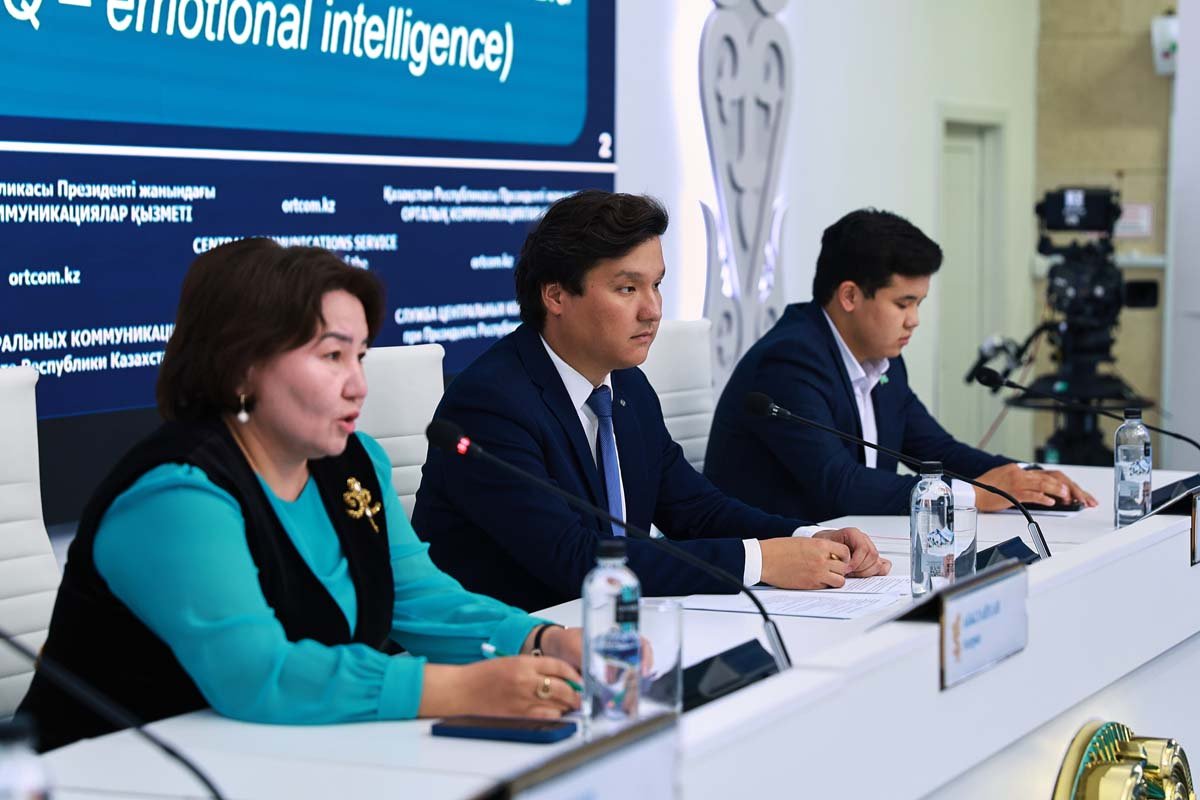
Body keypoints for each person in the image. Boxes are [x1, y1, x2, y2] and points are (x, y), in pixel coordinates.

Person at [19, 239, 584, 752]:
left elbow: (421, 598)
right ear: (243, 365)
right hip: (104, 772)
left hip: (272, 758)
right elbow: (257, 673)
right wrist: (461, 689)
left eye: (361, 356)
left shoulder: (355, 463)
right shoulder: (177, 493)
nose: (358, 385)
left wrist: (541, 641)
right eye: (333, 356)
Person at [411, 191, 889, 613]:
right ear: (555, 295)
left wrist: (806, 537)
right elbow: (573, 559)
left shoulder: (628, 388)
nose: (653, 309)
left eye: (656, 284)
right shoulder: (490, 404)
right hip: (504, 646)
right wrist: (761, 560)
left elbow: (695, 509)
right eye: (627, 288)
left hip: (608, 630)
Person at [704, 208, 1097, 521]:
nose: (914, 321)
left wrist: (1027, 477)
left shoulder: (884, 361)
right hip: (768, 570)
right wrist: (973, 495)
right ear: (849, 296)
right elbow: (839, 484)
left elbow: (938, 450)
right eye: (903, 304)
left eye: (918, 304)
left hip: (852, 554)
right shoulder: (789, 362)